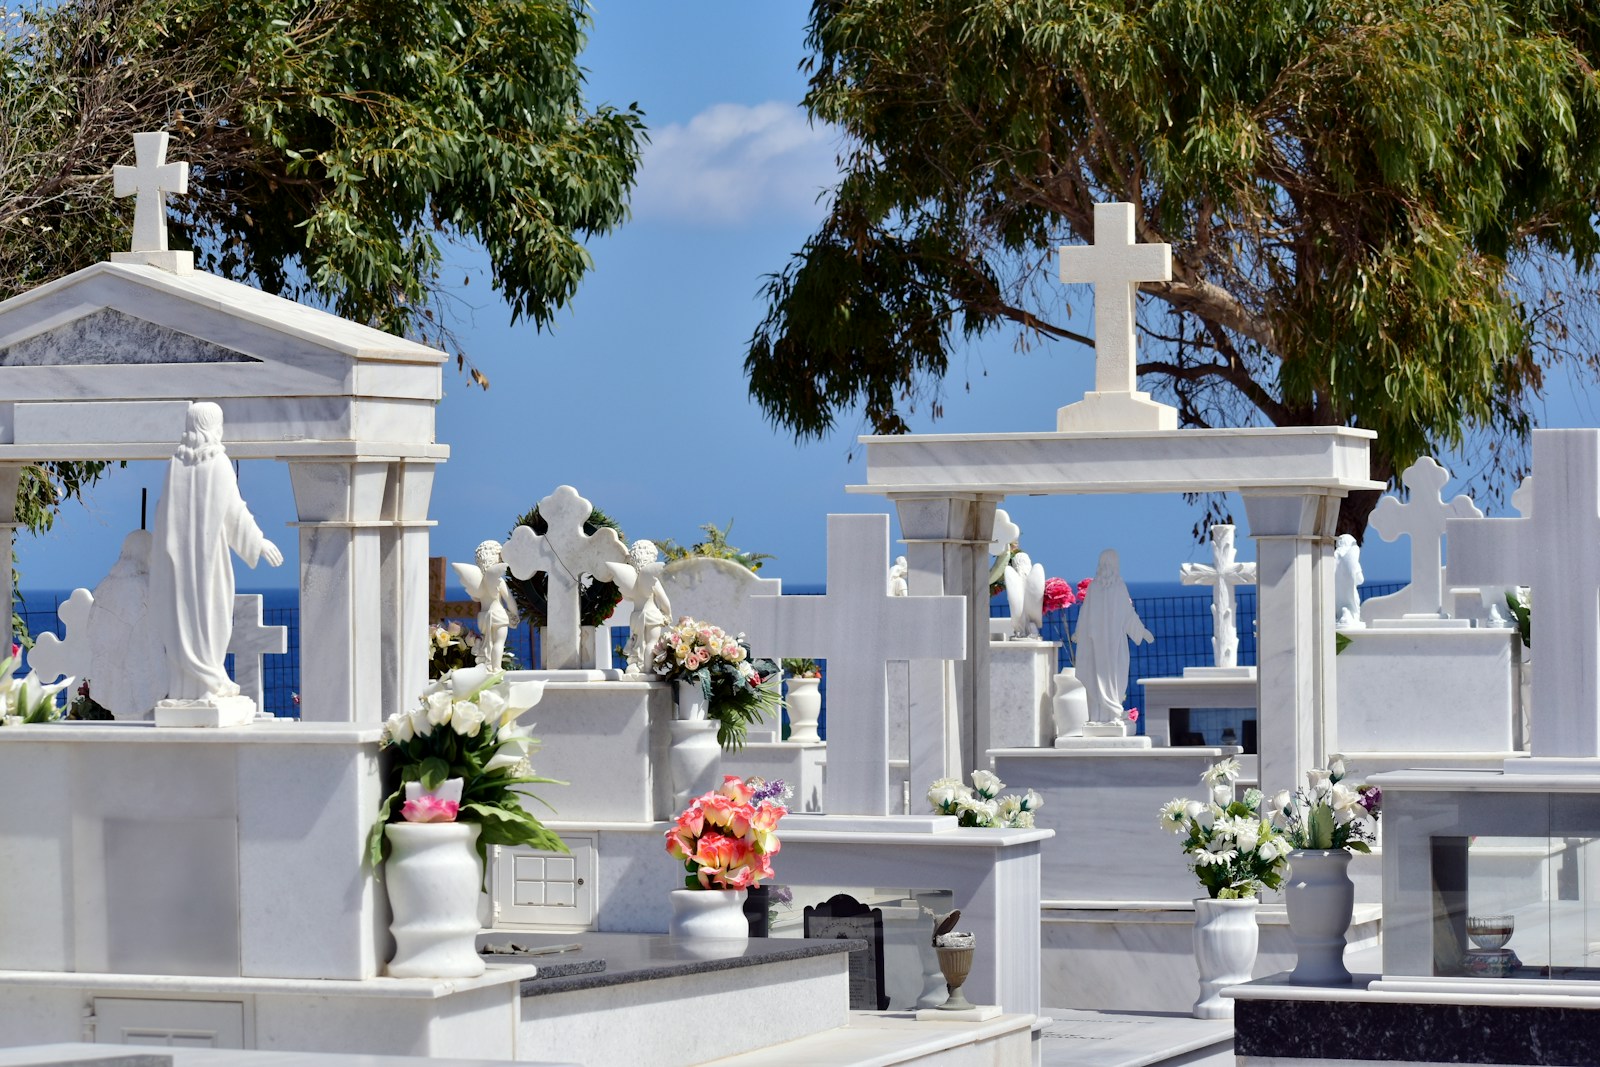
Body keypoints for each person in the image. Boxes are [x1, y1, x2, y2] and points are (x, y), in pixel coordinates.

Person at [150, 402, 282, 706]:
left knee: (182, 619)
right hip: (207, 565)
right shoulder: (218, 462)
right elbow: (234, 512)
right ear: (214, 427)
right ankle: (207, 685)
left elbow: (162, 514)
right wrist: (258, 542)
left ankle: (186, 688)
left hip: (177, 565)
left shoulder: (175, 463)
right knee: (210, 618)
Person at [1072, 548, 1154, 722]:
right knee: (1099, 676)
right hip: (1099, 643)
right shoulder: (1100, 587)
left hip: (1111, 642)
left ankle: (1109, 714)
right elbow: (1088, 613)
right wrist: (1079, 632)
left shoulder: (1110, 587)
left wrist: (1142, 632)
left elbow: (1126, 614)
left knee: (1112, 676)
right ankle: (1099, 717)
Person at [453, 540, 519, 670]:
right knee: (498, 643)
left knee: (487, 642)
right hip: (498, 615)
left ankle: (487, 665)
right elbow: (510, 601)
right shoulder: (498, 581)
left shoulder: (477, 581)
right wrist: (515, 614)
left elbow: (475, 597)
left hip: (483, 617)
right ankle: (496, 667)